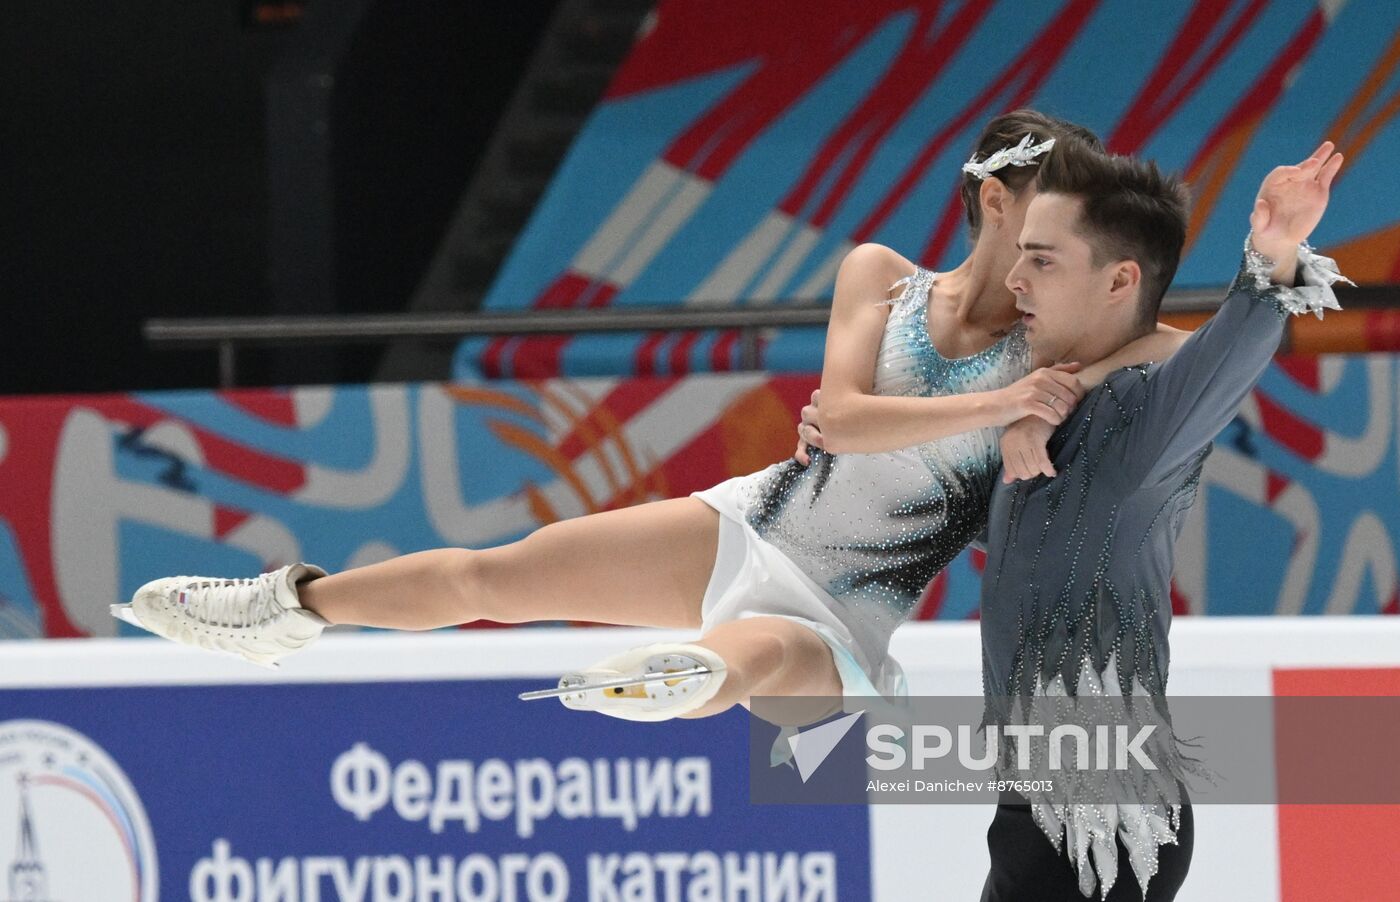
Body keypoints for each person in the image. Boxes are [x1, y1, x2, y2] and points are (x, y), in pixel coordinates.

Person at [111, 111, 1187, 725]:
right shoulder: (883, 279)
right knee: (495, 574)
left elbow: (1175, 347)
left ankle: (676, 682)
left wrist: (1261, 282)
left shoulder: (1054, 340)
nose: (1065, 230)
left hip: (844, 611)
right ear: (995, 203)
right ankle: (285, 606)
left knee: (754, 652)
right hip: (748, 523)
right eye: (1050, 202)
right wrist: (1010, 405)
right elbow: (846, 421)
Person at [978, 139, 1345, 901]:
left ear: (1120, 279)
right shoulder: (1044, 407)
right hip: (1037, 810)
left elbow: (1235, 342)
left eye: (1042, 260)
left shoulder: (1144, 416)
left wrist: (1275, 250)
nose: (1015, 279)